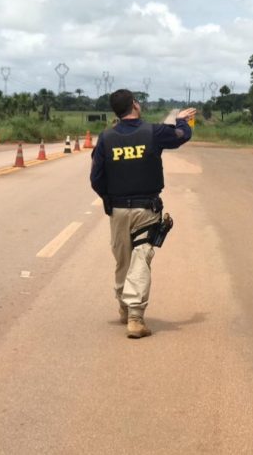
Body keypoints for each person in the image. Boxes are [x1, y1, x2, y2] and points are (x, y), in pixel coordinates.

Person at [90, 89, 196, 338]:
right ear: (135, 105)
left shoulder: (106, 138)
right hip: (146, 209)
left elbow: (96, 178)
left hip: (118, 210)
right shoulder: (153, 132)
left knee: (123, 260)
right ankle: (135, 317)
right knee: (140, 258)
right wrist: (182, 120)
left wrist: (108, 200)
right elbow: (181, 136)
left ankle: (125, 307)